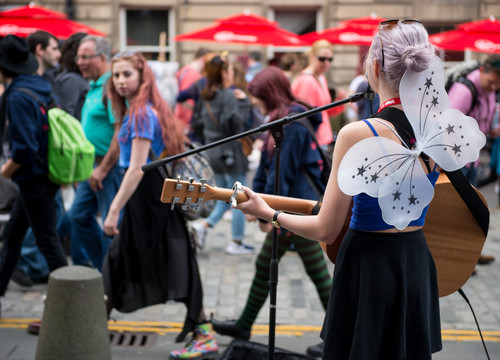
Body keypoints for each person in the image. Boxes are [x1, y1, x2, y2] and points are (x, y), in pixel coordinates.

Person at [230, 20, 451, 359]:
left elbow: (326, 228)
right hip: (416, 259)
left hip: (370, 264)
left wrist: (267, 213)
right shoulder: (439, 128)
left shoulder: (357, 134)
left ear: (374, 67)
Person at [101, 51, 218, 360]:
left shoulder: (141, 114)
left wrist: (114, 209)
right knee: (124, 260)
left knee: (174, 259)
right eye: (116, 76)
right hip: (147, 198)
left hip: (150, 197)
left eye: (127, 74)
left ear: (142, 77)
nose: (121, 81)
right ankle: (93, 322)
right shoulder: (136, 110)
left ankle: (204, 332)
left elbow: (137, 168)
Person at [210, 66, 333, 358]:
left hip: (298, 209)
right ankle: (243, 325)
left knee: (317, 275)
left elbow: (283, 175)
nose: (255, 103)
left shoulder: (290, 124)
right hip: (293, 205)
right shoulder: (282, 119)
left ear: (269, 94)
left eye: (258, 97)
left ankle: (341, 335)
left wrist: (267, 213)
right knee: (268, 265)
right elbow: (273, 169)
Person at [0, 35, 68, 312]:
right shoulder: (40, 85)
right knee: (14, 236)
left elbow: (25, 149)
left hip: (33, 178)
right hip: (44, 176)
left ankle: (75, 305)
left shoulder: (17, 96)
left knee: (48, 242)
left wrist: (5, 172)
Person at [66, 35, 122, 271]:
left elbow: (120, 134)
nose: (79, 61)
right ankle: (105, 269)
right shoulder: (94, 85)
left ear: (102, 57)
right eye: (78, 56)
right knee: (77, 217)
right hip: (92, 168)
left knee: (112, 226)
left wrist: (102, 168)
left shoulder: (111, 86)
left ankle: (114, 279)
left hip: (106, 168)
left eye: (84, 56)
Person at [189, 55, 253, 254]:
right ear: (225, 73)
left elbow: (197, 124)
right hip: (230, 151)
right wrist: (244, 103)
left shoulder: (205, 95)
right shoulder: (228, 94)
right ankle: (237, 242)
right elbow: (233, 124)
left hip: (212, 150)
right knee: (239, 196)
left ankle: (203, 226)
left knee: (225, 194)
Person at [448, 54, 500, 265]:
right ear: (482, 72)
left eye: (498, 84)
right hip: (457, 163)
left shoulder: (488, 90)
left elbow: (483, 122)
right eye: (491, 81)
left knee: (473, 212)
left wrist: (491, 131)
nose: (494, 86)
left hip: (473, 161)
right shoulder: (464, 90)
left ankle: (471, 255)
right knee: (457, 213)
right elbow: (447, 126)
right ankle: (458, 259)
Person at [291, 40, 335, 151]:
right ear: (311, 57)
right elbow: (305, 116)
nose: (326, 63)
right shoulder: (307, 80)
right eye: (322, 59)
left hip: (320, 138)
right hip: (314, 140)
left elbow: (324, 111)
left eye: (330, 59)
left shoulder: (320, 78)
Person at [174, 47, 211, 125]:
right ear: (203, 58)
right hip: (186, 121)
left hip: (181, 119)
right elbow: (186, 101)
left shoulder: (185, 70)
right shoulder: (192, 74)